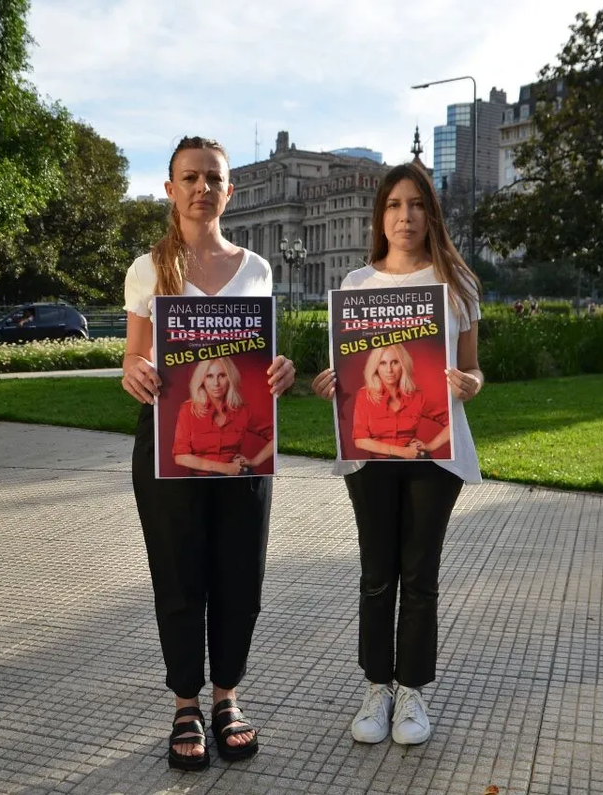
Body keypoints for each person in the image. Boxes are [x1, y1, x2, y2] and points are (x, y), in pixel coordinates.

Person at [121, 136, 295, 771]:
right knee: (178, 574)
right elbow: (133, 357)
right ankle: (185, 704)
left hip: (245, 447)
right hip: (171, 442)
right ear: (170, 189)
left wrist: (281, 371)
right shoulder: (149, 268)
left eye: (213, 179)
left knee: (240, 576)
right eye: (190, 178)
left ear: (230, 191)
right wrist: (133, 372)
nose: (202, 188)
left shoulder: (257, 269)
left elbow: (259, 359)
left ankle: (228, 697)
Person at [311, 162, 484, 746]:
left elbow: (474, 367)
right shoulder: (356, 284)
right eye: (393, 205)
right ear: (379, 216)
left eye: (415, 205)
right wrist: (332, 383)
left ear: (430, 213)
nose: (404, 216)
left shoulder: (456, 283)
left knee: (420, 574)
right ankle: (376, 687)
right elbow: (349, 371)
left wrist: (471, 383)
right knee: (377, 573)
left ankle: (412, 691)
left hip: (436, 452)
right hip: (370, 455)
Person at [173, 357, 274, 476]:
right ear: (202, 380)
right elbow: (181, 456)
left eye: (222, 375)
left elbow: (276, 437)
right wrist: (225, 468)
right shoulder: (188, 410)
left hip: (235, 479)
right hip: (200, 481)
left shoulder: (242, 411)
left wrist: (254, 462)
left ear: (230, 378)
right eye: (209, 376)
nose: (216, 383)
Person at [352, 343, 449, 460]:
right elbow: (360, 440)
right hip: (381, 463)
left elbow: (453, 422)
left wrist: (430, 446)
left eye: (395, 362)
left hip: (414, 461)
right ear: (376, 367)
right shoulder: (365, 396)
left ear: (403, 364)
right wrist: (402, 452)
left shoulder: (417, 396)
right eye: (383, 363)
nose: (389, 370)